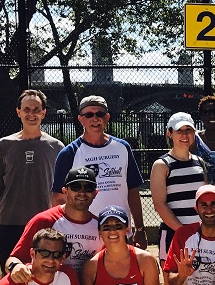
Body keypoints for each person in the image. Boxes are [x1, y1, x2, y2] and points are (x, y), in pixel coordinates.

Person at [51, 95, 148, 249]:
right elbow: (58, 198)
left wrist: (140, 229)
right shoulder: (69, 153)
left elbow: (133, 190)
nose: (95, 118)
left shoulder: (123, 148)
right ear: (80, 119)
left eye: (100, 114)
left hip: (120, 230)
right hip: (85, 233)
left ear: (107, 117)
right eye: (89, 114)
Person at [0, 89, 64, 271]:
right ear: (19, 112)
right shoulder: (3, 145)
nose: (31, 114)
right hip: (11, 223)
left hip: (44, 223)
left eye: (36, 109)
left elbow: (61, 192)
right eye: (27, 109)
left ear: (43, 113)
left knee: (44, 274)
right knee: (10, 274)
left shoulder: (56, 147)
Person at [5, 166, 102, 279]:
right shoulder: (44, 220)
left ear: (95, 193)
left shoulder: (100, 226)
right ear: (65, 191)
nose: (82, 192)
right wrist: (15, 267)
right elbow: (13, 259)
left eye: (88, 188)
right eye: (76, 187)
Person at [151, 111, 207, 263]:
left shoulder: (200, 162)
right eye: (179, 131)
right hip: (173, 234)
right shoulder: (162, 165)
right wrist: (183, 231)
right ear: (169, 133)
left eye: (188, 130)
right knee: (173, 283)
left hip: (199, 234)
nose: (184, 135)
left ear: (194, 133)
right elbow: (159, 204)